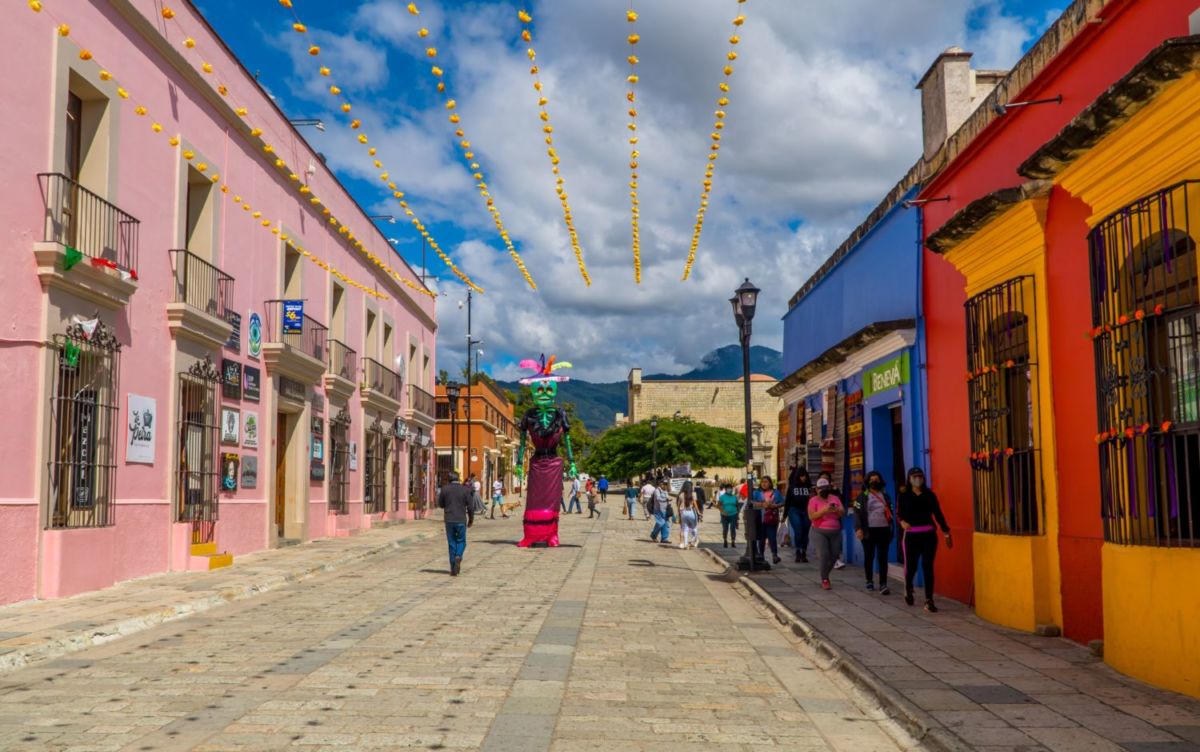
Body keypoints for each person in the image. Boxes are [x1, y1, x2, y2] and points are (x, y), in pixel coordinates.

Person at [897, 466, 952, 612]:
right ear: (909, 479)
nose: (917, 479)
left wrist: (946, 531)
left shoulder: (930, 495)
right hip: (911, 535)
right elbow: (899, 513)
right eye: (914, 476)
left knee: (928, 566)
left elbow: (938, 514)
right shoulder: (904, 495)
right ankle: (908, 589)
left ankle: (929, 600)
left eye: (920, 476)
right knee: (912, 566)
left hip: (928, 534)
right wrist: (902, 522)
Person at [852, 470, 893, 594]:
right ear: (867, 482)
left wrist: (891, 528)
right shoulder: (862, 496)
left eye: (877, 479)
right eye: (872, 480)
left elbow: (890, 512)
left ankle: (883, 584)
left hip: (884, 530)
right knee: (869, 556)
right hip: (868, 531)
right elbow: (857, 513)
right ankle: (869, 580)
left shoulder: (885, 496)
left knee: (883, 557)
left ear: (880, 481)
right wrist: (858, 529)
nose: (874, 481)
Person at [808, 477, 845, 590]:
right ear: (817, 490)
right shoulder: (813, 500)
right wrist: (824, 510)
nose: (823, 490)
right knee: (824, 554)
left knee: (834, 556)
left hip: (835, 531)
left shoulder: (835, 498)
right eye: (821, 489)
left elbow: (843, 512)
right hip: (819, 531)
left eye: (825, 488)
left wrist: (837, 510)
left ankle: (825, 574)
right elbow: (811, 516)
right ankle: (824, 579)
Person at [437, 471, 474, 576]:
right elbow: (470, 507)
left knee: (452, 543)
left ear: (449, 479)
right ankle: (458, 555)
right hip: (461, 519)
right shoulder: (465, 490)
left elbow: (440, 504)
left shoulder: (445, 489)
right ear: (458, 478)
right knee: (461, 541)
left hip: (449, 519)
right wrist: (471, 519)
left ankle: (453, 568)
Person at [818, 471, 847, 570]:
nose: (824, 481)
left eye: (826, 479)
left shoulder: (834, 492)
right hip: (821, 525)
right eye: (822, 479)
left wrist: (835, 491)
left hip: (834, 521)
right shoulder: (816, 494)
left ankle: (836, 559)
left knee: (835, 543)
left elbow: (841, 504)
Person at [785, 467, 813, 563]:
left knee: (805, 531)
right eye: (801, 476)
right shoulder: (792, 487)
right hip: (794, 510)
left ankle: (804, 552)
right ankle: (798, 551)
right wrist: (784, 515)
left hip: (806, 511)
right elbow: (787, 502)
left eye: (805, 476)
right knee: (798, 529)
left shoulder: (810, 487)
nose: (803, 478)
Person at [754, 477, 783, 564]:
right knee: (761, 538)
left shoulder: (776, 492)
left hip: (771, 518)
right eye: (762, 482)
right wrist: (762, 504)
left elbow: (782, 502)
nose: (764, 483)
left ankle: (774, 555)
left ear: (770, 483)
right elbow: (751, 502)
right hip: (760, 519)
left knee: (772, 537)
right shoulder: (757, 493)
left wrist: (773, 506)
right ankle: (761, 555)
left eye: (766, 482)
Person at [677, 481, 699, 549]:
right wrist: (698, 512)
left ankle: (686, 544)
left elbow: (678, 506)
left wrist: (679, 515)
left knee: (685, 529)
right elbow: (695, 504)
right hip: (691, 512)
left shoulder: (681, 494)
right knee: (694, 527)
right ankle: (695, 539)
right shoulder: (693, 494)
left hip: (683, 512)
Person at [717, 483, 740, 548]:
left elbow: (737, 506)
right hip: (724, 516)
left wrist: (737, 516)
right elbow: (718, 505)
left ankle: (733, 541)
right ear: (726, 489)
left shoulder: (734, 497)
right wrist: (722, 511)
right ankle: (725, 540)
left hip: (733, 514)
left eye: (731, 488)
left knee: (733, 528)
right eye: (728, 488)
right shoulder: (722, 497)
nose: (730, 490)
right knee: (725, 528)